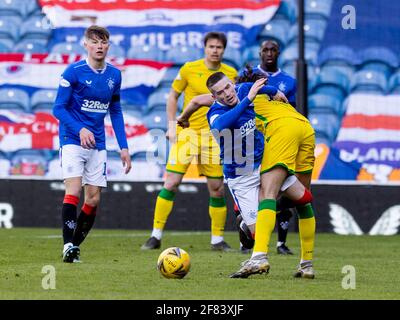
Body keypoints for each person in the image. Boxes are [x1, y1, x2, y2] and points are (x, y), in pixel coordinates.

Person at [178, 69, 316, 279]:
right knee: (255, 233)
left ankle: (303, 262)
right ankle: (249, 224)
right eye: (220, 92)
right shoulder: (215, 112)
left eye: (227, 87)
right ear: (214, 97)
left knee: (304, 199)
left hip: (263, 164)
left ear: (232, 84)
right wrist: (248, 100)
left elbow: (262, 86)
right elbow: (220, 126)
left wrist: (273, 92)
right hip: (240, 176)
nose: (227, 93)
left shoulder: (241, 89)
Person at [141, 32, 238, 251]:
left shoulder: (230, 73)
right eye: (211, 46)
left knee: (217, 189)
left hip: (215, 137)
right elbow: (173, 96)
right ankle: (155, 236)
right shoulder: (188, 69)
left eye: (219, 47)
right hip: (188, 133)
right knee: (171, 183)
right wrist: (172, 125)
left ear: (224, 50)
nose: (215, 50)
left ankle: (217, 240)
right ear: (205, 48)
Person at [53, 25, 132, 263]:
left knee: (94, 199)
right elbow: (58, 108)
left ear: (108, 46)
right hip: (72, 139)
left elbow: (115, 111)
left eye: (103, 42)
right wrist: (80, 128)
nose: (99, 46)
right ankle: (67, 244)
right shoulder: (73, 72)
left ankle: (73, 247)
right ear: (85, 45)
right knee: (74, 190)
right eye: (94, 42)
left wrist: (124, 146)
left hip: (97, 143)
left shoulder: (114, 75)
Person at [242, 39, 298, 255]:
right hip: (253, 139)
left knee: (282, 189)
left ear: (279, 52)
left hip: (278, 139)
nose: (269, 53)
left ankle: (281, 243)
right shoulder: (249, 75)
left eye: (273, 49)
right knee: (251, 187)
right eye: (265, 49)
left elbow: (291, 110)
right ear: (259, 52)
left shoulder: (289, 81)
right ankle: (247, 240)